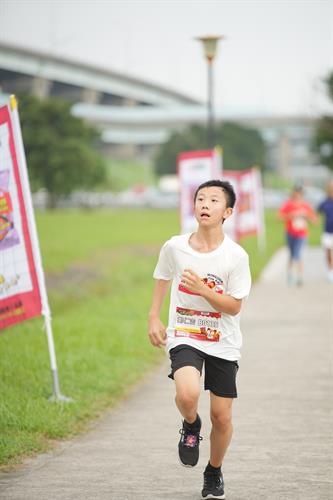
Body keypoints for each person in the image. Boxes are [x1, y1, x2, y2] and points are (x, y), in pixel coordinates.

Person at [148, 179, 251, 499]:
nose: (205, 205)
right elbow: (163, 277)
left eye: (214, 201)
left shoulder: (235, 256)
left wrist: (203, 290)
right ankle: (191, 425)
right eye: (200, 199)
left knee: (221, 417)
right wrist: (154, 316)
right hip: (185, 333)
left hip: (223, 338)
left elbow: (234, 306)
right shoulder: (175, 246)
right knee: (188, 394)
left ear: (228, 212)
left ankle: (214, 471)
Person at [278, 185, 317, 286]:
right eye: (296, 193)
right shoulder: (288, 204)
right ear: (293, 193)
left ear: (302, 195)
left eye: (300, 194)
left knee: (298, 254)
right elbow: (280, 217)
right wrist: (292, 215)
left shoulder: (306, 206)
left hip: (301, 234)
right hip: (290, 233)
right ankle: (290, 275)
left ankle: (299, 277)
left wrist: (306, 216)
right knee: (291, 255)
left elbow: (314, 220)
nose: (298, 195)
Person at [318, 180, 333, 283]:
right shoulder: (325, 202)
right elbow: (318, 212)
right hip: (327, 231)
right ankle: (330, 271)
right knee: (328, 252)